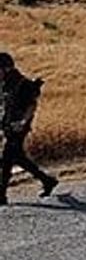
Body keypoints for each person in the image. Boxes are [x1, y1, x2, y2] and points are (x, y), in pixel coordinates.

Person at [0, 52, 58, 205]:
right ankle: (47, 180)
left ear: (6, 68)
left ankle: (2, 195)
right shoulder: (5, 83)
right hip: (8, 125)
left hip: (18, 127)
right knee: (18, 158)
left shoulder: (22, 84)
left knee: (7, 159)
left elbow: (32, 105)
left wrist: (23, 122)